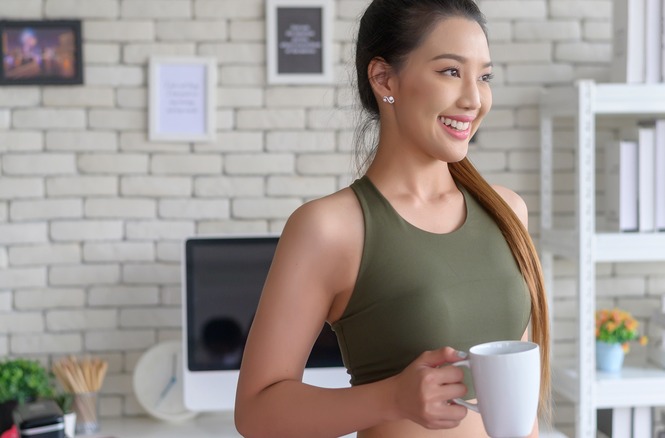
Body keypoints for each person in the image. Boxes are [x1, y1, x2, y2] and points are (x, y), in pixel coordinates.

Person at [234, 1, 551, 437]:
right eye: (450, 72)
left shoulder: (507, 211)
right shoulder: (330, 228)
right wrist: (393, 398)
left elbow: (517, 402)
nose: (474, 99)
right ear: (384, 78)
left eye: (484, 77)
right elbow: (256, 413)